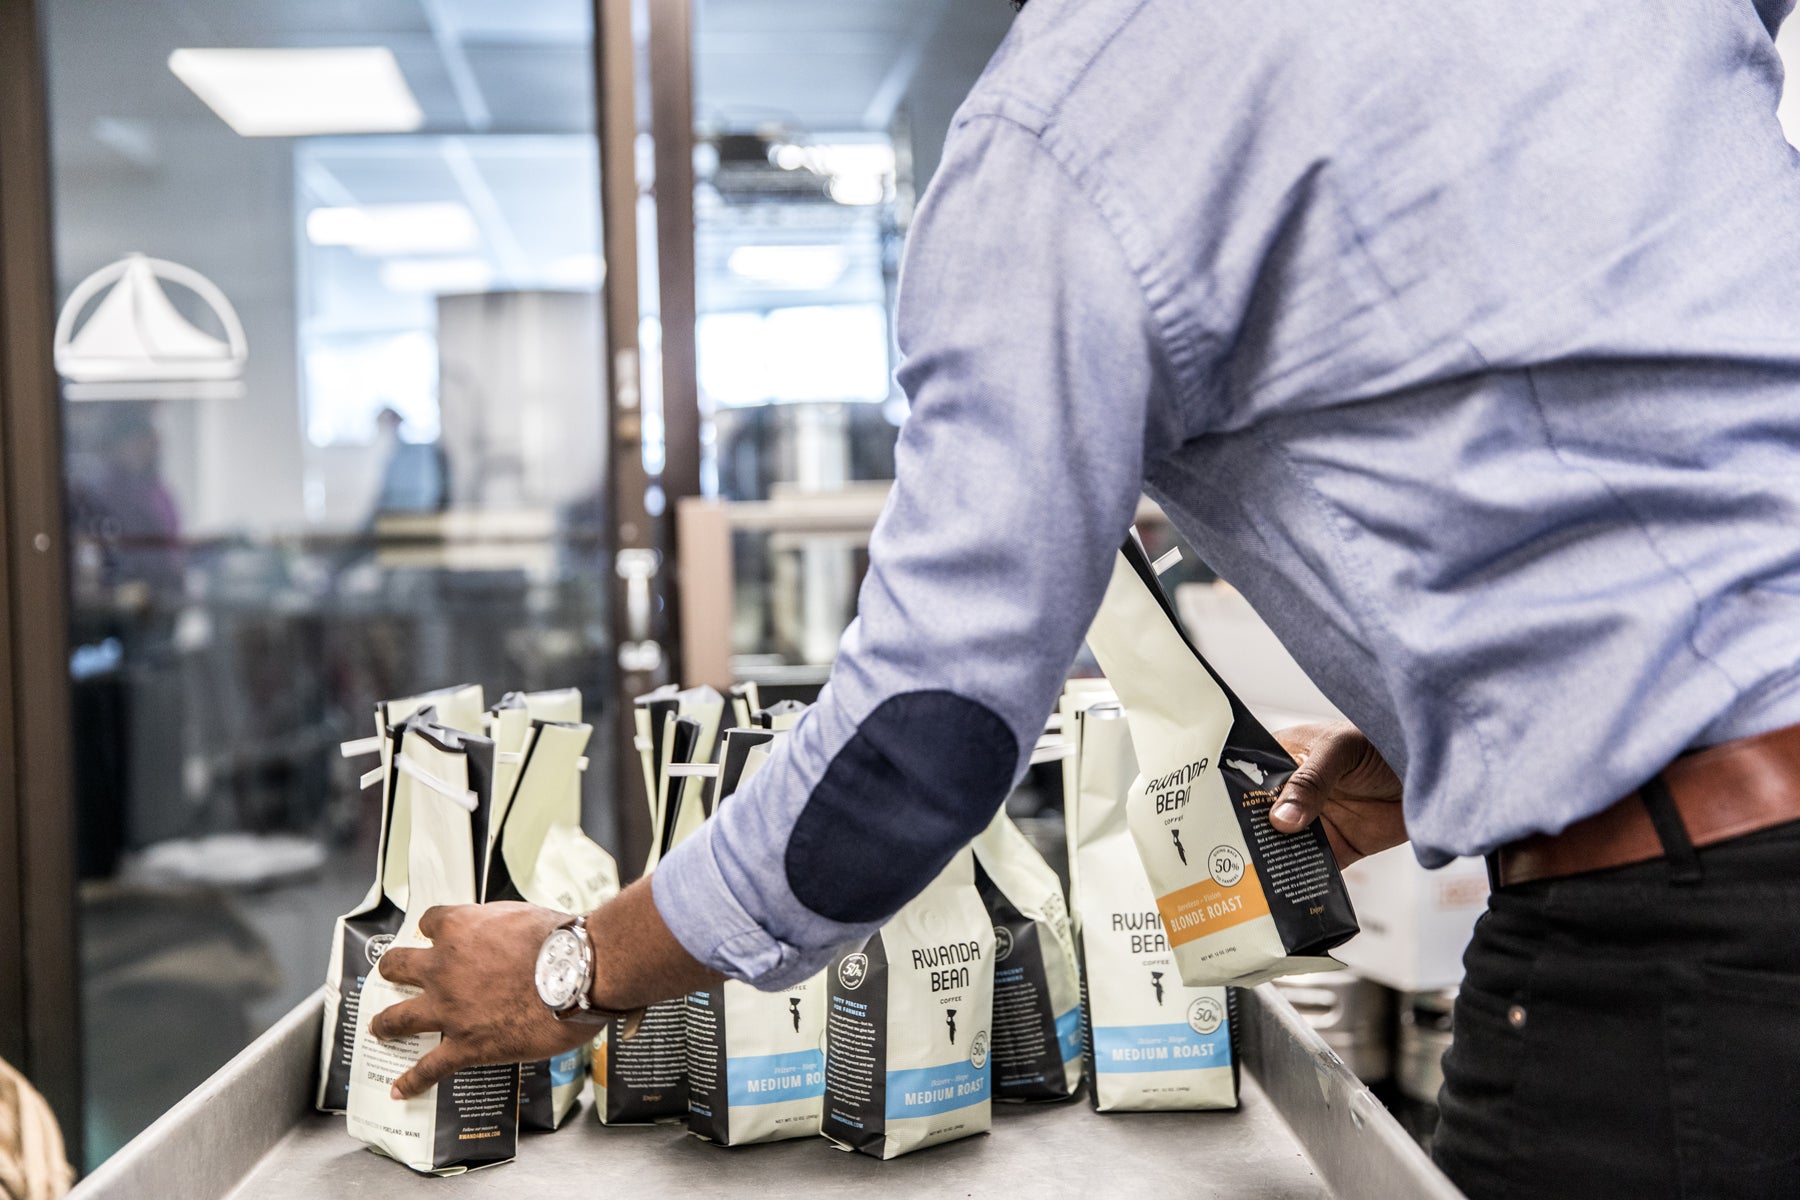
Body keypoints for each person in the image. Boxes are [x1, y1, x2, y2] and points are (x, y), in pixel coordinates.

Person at [370, 2, 1800, 1196]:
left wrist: (573, 968)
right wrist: (1466, 725)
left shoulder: (1062, 132)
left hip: (1707, 959)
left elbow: (911, 750)